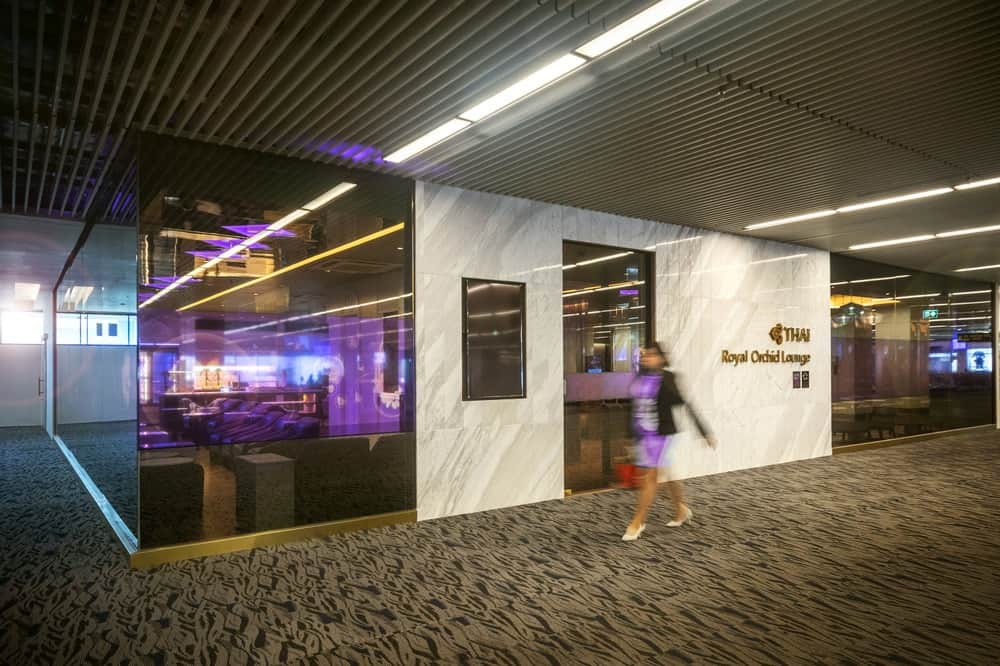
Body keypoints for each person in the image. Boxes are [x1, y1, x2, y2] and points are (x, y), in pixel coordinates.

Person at [622, 342, 716, 541]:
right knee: (665, 474)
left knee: (649, 477)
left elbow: (686, 404)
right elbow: (634, 409)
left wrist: (703, 431)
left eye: (653, 355)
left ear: (662, 358)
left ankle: (637, 523)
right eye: (646, 354)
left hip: (661, 434)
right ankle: (681, 509)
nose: (647, 357)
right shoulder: (640, 376)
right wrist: (630, 436)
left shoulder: (668, 378)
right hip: (643, 434)